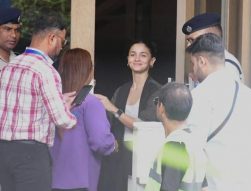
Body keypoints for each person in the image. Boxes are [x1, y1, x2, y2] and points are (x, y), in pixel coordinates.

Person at [0, 11, 77, 191]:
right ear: (52, 38)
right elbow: (62, 119)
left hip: (3, 151)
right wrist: (68, 111)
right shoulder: (46, 71)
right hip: (31, 155)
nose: (61, 47)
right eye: (62, 41)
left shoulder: (10, 66)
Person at [186, 33, 251, 191]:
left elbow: (194, 149)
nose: (194, 70)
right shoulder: (250, 95)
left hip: (219, 184)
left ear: (202, 61)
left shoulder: (200, 96)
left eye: (193, 63)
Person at [96, 39, 162, 191]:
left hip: (143, 157)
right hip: (119, 157)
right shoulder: (121, 90)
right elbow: (108, 123)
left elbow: (143, 125)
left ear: (152, 61)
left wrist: (114, 109)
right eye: (133, 54)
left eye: (143, 55)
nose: (137, 59)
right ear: (127, 60)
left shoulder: (157, 91)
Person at [50, 48, 117, 191]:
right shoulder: (90, 102)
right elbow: (100, 141)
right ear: (89, 71)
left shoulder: (54, 101)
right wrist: (114, 145)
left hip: (52, 180)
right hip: (80, 183)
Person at [145, 82, 207, 191]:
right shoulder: (196, 144)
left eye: (156, 102)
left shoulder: (174, 147)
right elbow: (204, 188)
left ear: (161, 108)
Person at [182, 12, 243, 83]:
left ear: (210, 37)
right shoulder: (207, 63)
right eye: (188, 41)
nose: (189, 45)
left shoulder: (227, 66)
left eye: (192, 40)